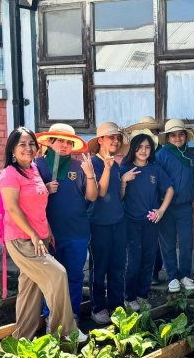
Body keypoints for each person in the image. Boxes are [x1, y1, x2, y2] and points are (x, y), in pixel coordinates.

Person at [0, 127, 84, 342]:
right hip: (22, 239)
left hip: (41, 237)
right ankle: (64, 332)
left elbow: (38, 205)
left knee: (29, 290)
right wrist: (34, 236)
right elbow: (13, 209)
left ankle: (22, 338)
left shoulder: (33, 169)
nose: (28, 148)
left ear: (37, 147)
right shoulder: (9, 174)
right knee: (58, 274)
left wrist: (48, 231)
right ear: (12, 150)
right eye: (22, 144)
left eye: (31, 144)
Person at [34, 123, 97, 323]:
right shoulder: (37, 166)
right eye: (60, 141)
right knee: (51, 277)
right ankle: (50, 315)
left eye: (68, 142)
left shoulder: (79, 167)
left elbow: (92, 196)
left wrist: (90, 173)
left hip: (77, 232)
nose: (64, 146)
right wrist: (44, 188)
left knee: (74, 275)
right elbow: (26, 197)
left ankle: (72, 315)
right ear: (50, 142)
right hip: (49, 233)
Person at [120, 132, 174, 310]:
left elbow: (170, 189)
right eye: (140, 147)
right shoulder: (125, 167)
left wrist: (161, 210)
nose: (144, 150)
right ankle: (129, 297)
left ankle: (142, 295)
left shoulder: (155, 169)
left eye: (147, 147)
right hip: (131, 222)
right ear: (134, 148)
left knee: (148, 260)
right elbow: (119, 196)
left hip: (151, 222)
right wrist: (123, 181)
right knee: (133, 260)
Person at [88, 122, 128, 325]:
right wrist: (106, 167)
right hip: (99, 224)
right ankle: (97, 307)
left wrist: (123, 181)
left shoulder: (117, 164)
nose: (116, 141)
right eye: (111, 137)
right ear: (100, 140)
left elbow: (118, 195)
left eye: (118, 138)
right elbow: (100, 193)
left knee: (118, 266)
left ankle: (117, 306)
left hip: (118, 222)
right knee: (99, 267)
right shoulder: (93, 163)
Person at [156, 119, 194, 293]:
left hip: (184, 206)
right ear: (167, 138)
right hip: (165, 207)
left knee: (186, 242)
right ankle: (172, 276)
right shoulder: (161, 155)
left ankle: (185, 275)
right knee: (167, 243)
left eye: (180, 134)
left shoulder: (191, 155)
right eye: (173, 135)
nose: (177, 138)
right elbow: (157, 181)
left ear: (186, 137)